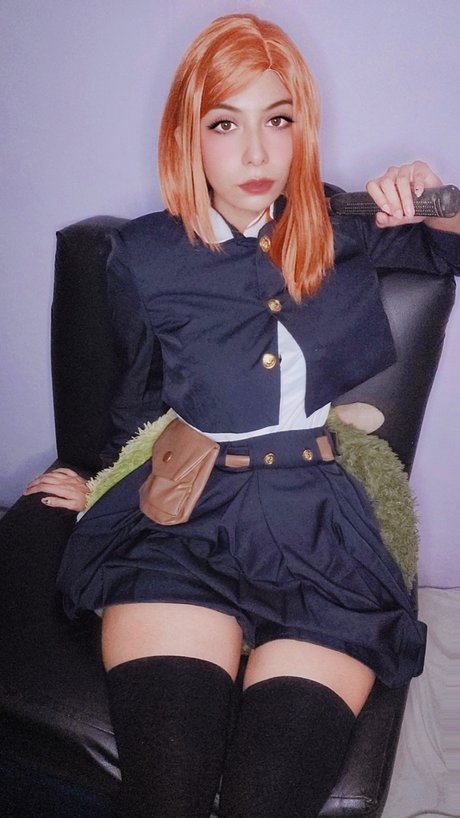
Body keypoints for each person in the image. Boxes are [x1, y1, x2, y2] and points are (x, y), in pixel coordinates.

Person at [23, 13, 460, 818]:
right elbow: (138, 403)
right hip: (182, 526)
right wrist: (95, 481)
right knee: (169, 795)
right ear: (187, 136)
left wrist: (432, 194)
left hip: (321, 531)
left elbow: (454, 235)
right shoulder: (143, 257)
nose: (257, 153)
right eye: (226, 124)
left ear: (302, 130)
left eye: (278, 120)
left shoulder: (343, 227)